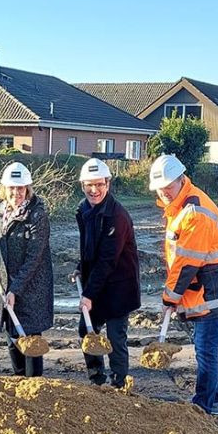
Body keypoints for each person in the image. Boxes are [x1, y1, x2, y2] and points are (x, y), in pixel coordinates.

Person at [149, 154, 218, 416]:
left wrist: (170, 297)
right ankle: (213, 402)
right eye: (160, 187)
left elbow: (187, 262)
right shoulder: (181, 205)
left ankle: (204, 406)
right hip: (205, 288)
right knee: (205, 350)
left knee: (205, 351)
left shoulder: (194, 213)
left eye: (169, 185)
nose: (164, 192)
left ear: (181, 180)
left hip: (214, 291)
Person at [72, 158, 140, 388]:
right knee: (86, 330)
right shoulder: (83, 209)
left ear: (108, 184)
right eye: (89, 185)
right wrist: (81, 267)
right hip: (97, 282)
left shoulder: (117, 217)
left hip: (119, 285)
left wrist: (88, 294)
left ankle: (120, 384)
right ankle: (97, 380)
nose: (94, 190)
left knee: (115, 337)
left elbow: (108, 260)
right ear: (82, 185)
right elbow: (89, 248)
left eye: (99, 184)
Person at [0, 162, 54, 377]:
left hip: (33, 287)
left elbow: (35, 257)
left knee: (31, 339)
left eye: (21, 188)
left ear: (28, 188)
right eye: (12, 188)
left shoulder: (37, 214)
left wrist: (16, 289)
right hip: (6, 283)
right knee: (12, 334)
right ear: (4, 188)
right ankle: (19, 380)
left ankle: (34, 386)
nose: (16, 193)